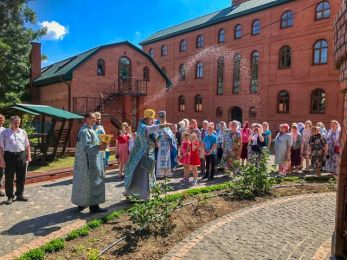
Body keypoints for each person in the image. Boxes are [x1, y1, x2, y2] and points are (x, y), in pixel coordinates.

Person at [123, 109, 172, 200]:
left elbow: (157, 134)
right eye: (150, 119)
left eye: (152, 119)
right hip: (142, 155)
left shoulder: (152, 125)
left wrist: (157, 139)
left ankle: (145, 194)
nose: (152, 121)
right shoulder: (142, 126)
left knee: (149, 174)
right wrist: (162, 125)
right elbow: (150, 129)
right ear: (146, 119)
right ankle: (138, 195)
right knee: (142, 175)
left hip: (151, 153)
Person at [71, 112, 107, 213]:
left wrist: (102, 144)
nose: (94, 120)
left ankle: (83, 203)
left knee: (85, 184)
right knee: (93, 183)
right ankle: (94, 206)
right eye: (92, 118)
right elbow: (86, 148)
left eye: (95, 118)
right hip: (90, 163)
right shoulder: (85, 131)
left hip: (92, 160)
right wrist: (99, 147)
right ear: (85, 119)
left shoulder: (91, 130)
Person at [0, 116, 31, 205]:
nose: (17, 124)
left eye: (18, 123)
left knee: (21, 176)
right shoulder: (4, 133)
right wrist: (1, 159)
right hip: (9, 156)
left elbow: (27, 145)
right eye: (15, 123)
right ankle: (10, 196)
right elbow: (1, 147)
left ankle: (19, 194)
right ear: (11, 122)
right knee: (9, 177)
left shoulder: (23, 132)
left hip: (21, 155)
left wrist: (29, 155)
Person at [156, 111, 178, 178]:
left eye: (163, 117)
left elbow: (171, 136)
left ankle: (167, 173)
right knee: (160, 158)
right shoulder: (157, 124)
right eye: (161, 117)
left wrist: (170, 139)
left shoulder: (167, 126)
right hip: (160, 145)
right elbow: (155, 134)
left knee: (167, 159)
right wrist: (159, 138)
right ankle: (161, 174)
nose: (162, 119)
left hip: (167, 145)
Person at [0, 114, 5, 197]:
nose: (1, 122)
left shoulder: (4, 130)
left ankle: (0, 188)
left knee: (1, 170)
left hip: (2, 152)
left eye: (2, 120)